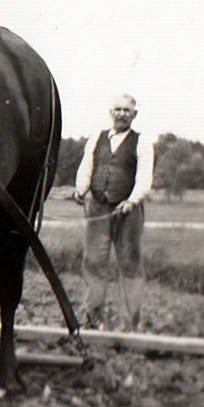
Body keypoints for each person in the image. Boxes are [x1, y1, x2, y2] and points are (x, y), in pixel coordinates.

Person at [72, 94, 154, 329]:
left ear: (134, 114)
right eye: (117, 109)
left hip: (127, 211)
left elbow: (145, 178)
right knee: (94, 261)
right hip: (98, 208)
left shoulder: (142, 142)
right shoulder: (96, 139)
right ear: (111, 112)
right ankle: (92, 317)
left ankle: (129, 323)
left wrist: (132, 201)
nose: (121, 114)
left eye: (127, 110)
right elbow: (86, 167)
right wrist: (81, 190)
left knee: (130, 265)